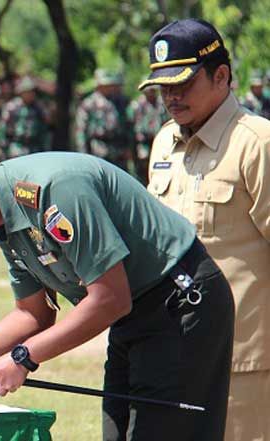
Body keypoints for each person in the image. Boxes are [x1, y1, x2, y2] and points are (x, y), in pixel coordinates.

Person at [0, 145, 234, 441]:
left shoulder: (54, 189)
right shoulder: (5, 219)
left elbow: (111, 297)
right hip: (135, 318)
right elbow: (33, 315)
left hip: (179, 305)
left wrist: (22, 358)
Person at [142, 19, 270, 441]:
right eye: (163, 87)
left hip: (246, 363)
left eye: (182, 83)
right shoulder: (164, 144)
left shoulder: (257, 143)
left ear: (221, 76)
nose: (171, 96)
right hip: (175, 353)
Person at [75, 69, 132, 172]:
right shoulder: (89, 104)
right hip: (98, 152)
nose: (110, 88)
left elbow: (128, 126)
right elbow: (81, 132)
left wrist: (129, 148)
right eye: (107, 85)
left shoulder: (121, 102)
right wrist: (84, 156)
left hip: (119, 153)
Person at [126, 84, 168, 183]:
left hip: (160, 140)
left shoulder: (161, 104)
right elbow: (131, 125)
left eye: (153, 91)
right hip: (143, 142)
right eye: (149, 91)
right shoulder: (137, 105)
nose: (151, 93)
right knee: (143, 164)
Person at [1, 76, 49, 158]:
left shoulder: (38, 108)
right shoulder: (12, 106)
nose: (31, 94)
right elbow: (3, 128)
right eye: (28, 92)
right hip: (16, 146)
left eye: (32, 92)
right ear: (22, 92)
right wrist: (4, 147)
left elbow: (44, 126)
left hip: (33, 148)